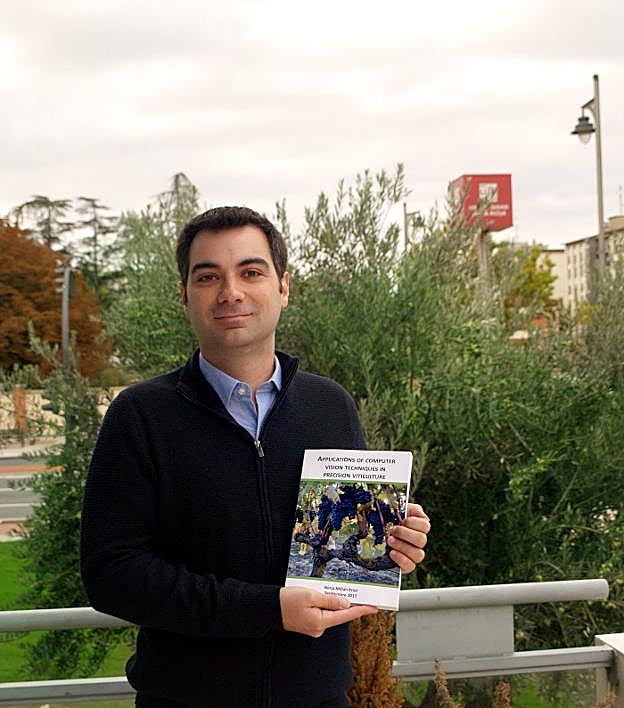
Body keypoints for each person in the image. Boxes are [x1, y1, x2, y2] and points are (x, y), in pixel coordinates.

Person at [80, 206, 430, 708]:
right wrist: (268, 609)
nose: (231, 292)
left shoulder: (330, 406)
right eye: (208, 277)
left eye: (251, 272)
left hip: (319, 700)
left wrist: (392, 543)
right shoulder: (140, 416)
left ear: (283, 287)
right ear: (184, 296)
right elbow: (111, 576)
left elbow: (343, 548)